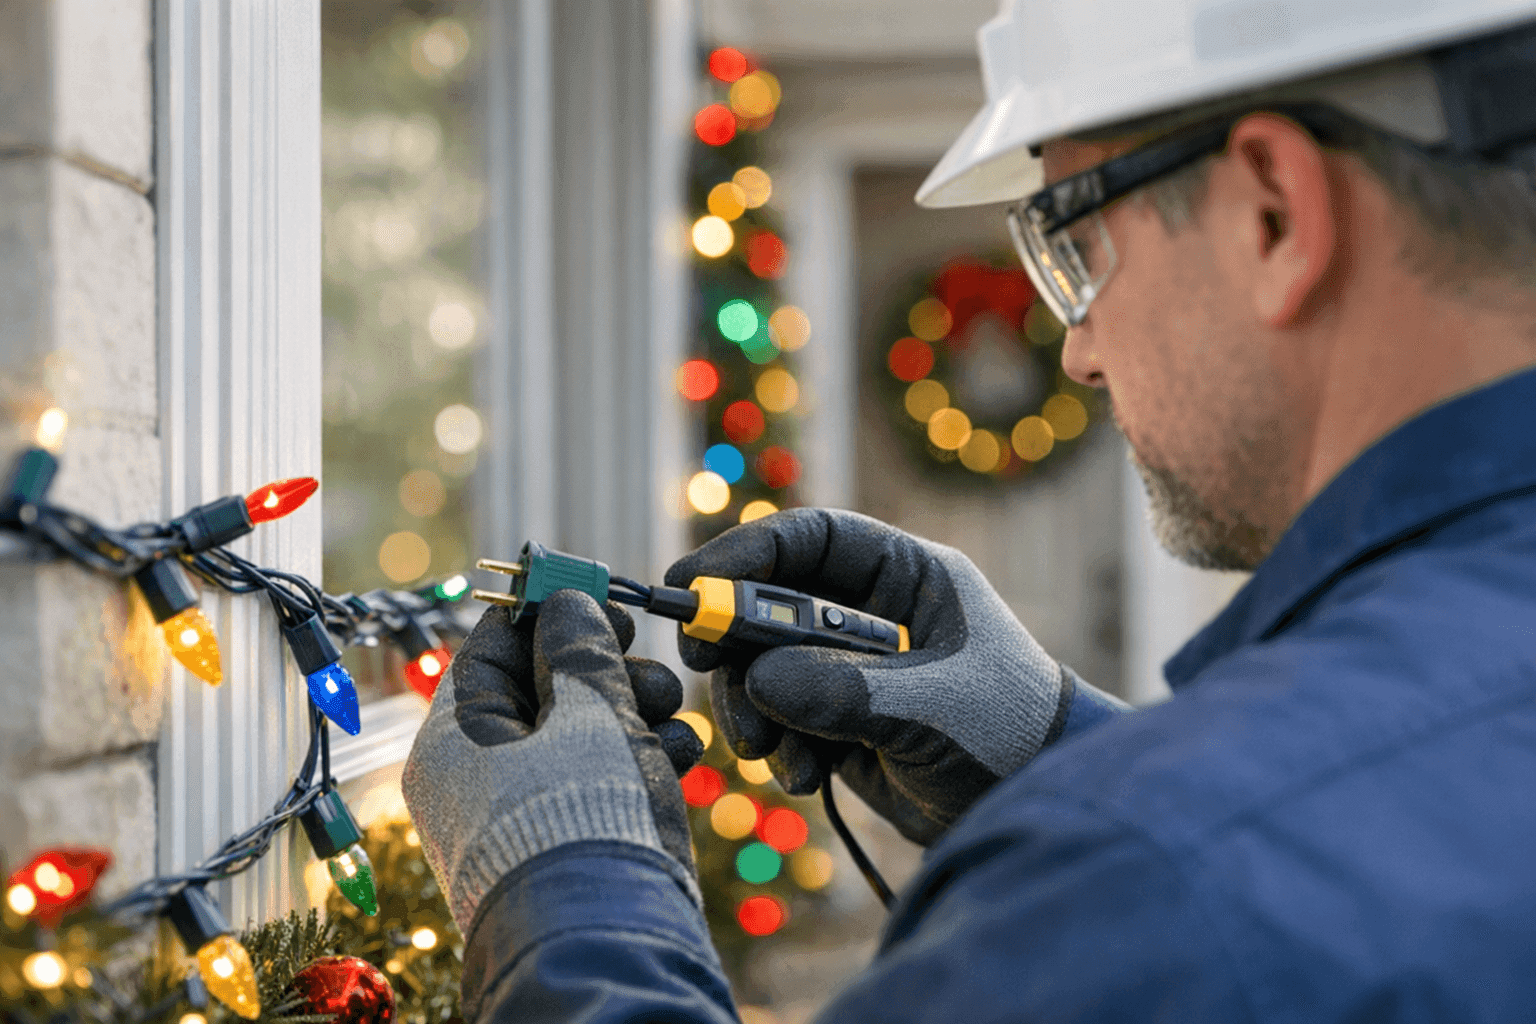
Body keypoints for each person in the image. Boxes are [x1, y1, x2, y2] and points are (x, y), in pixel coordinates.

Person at [402, 1, 1536, 1019]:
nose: (1080, 353)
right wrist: (1056, 750)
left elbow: (1247, 873)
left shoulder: (1164, 876)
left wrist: (567, 892)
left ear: (1274, 215)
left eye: (1076, 249)